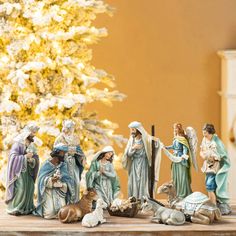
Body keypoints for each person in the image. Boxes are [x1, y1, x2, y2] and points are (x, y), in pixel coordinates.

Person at [5, 123, 40, 215]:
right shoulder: (18, 144)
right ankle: (16, 207)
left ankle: (27, 207)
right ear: (27, 134)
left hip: (28, 171)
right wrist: (24, 157)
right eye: (32, 134)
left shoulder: (32, 145)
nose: (34, 136)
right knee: (21, 188)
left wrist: (32, 160)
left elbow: (36, 158)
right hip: (19, 172)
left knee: (30, 187)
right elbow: (13, 157)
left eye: (34, 134)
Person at [122, 121, 162, 199]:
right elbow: (128, 154)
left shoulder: (146, 139)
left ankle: (143, 199)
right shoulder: (131, 140)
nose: (131, 132)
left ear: (138, 130)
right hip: (134, 164)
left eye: (133, 130)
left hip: (144, 164)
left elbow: (155, 144)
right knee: (134, 182)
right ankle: (134, 199)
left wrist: (156, 142)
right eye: (131, 130)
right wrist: (134, 148)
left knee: (143, 182)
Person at [35, 144, 75, 219]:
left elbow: (67, 179)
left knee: (63, 210)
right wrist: (51, 180)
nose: (64, 155)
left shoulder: (63, 165)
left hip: (59, 192)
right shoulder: (46, 164)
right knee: (49, 214)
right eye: (63, 153)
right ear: (57, 153)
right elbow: (41, 179)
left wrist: (63, 184)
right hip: (49, 192)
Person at [200, 123, 231, 215]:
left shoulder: (217, 142)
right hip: (207, 166)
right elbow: (201, 151)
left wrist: (212, 157)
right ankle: (212, 203)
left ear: (210, 132)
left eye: (205, 133)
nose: (204, 134)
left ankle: (213, 205)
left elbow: (221, 156)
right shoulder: (204, 139)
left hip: (214, 167)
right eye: (203, 132)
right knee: (209, 184)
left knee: (210, 185)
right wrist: (203, 155)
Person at [54, 120, 86, 202]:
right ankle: (65, 202)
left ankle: (74, 202)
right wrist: (65, 151)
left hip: (73, 162)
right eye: (69, 128)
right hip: (64, 162)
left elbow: (79, 150)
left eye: (72, 128)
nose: (70, 130)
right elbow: (55, 151)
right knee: (65, 182)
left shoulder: (75, 138)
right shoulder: (60, 138)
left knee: (75, 182)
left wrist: (81, 156)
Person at [164, 123, 194, 199]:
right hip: (175, 158)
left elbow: (185, 148)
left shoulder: (182, 138)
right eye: (174, 128)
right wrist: (165, 147)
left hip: (181, 159)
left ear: (179, 129)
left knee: (182, 176)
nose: (175, 130)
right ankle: (177, 192)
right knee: (176, 175)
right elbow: (173, 146)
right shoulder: (175, 138)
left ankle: (183, 194)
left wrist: (184, 156)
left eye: (176, 128)